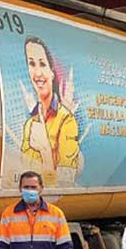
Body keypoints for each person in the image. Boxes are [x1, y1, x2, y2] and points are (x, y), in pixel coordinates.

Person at [20, 36, 82, 186]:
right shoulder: (30, 124)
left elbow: (65, 182)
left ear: (52, 71)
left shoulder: (66, 120)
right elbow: (25, 175)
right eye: (32, 64)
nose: (37, 72)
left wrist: (45, 150)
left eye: (42, 64)